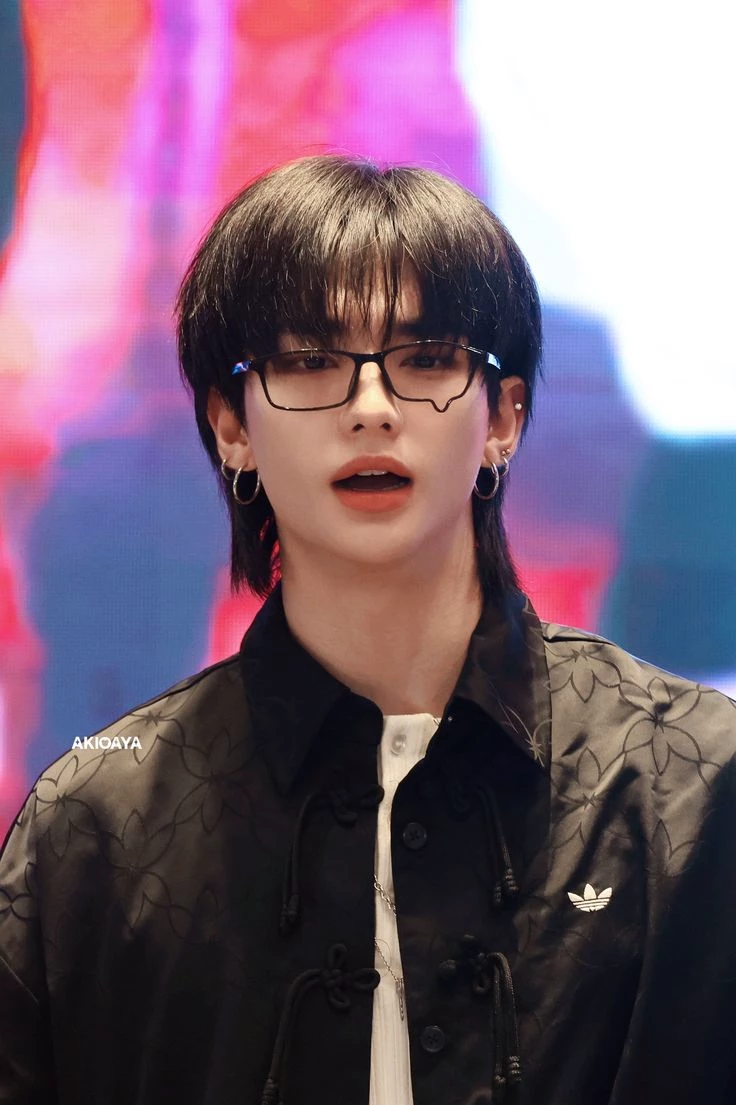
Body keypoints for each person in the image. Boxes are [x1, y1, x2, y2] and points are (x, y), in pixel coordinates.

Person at [1, 155, 735, 1105]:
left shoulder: (691, 784)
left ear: (504, 416)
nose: (372, 409)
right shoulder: (96, 823)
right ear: (230, 425)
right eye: (311, 362)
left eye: (426, 360)